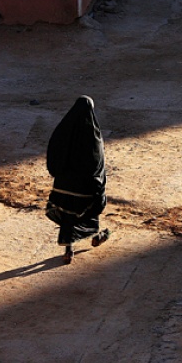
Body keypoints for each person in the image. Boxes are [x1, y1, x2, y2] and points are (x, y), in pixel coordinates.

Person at [45, 95, 110, 264]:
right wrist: (100, 189)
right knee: (89, 211)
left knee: (68, 215)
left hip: (62, 188)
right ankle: (96, 235)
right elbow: (97, 165)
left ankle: (69, 249)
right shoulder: (93, 137)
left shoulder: (63, 131)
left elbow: (53, 152)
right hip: (84, 190)